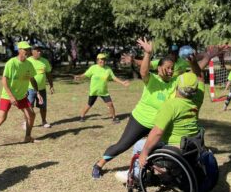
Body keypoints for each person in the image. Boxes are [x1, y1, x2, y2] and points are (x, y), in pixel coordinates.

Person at [93, 38, 201, 179]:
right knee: (123, 145)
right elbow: (143, 71)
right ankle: (99, 164)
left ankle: (152, 173)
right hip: (140, 120)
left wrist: (193, 63)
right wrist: (148, 54)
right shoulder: (152, 79)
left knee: (159, 149)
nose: (169, 71)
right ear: (158, 68)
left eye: (172, 68)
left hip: (160, 126)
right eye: (166, 68)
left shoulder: (176, 82)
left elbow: (197, 76)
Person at [0, 41, 43, 153]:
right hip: (7, 95)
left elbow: (32, 79)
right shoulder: (11, 63)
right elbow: (4, 80)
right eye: (25, 50)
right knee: (1, 118)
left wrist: (38, 93)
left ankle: (27, 137)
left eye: (29, 50)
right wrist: (11, 97)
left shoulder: (29, 64)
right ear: (19, 50)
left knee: (31, 115)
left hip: (21, 96)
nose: (27, 52)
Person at [139, 70, 205, 168]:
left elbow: (157, 132)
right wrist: (194, 62)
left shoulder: (170, 105)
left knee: (139, 145)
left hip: (175, 152)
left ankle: (134, 177)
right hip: (191, 149)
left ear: (177, 87)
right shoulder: (197, 100)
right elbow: (201, 78)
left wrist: (144, 152)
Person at [74, 53, 129, 123]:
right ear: (97, 60)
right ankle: (82, 117)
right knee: (89, 105)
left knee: (110, 104)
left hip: (104, 92)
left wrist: (122, 82)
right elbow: (85, 74)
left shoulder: (108, 69)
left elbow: (114, 78)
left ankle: (114, 118)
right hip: (94, 91)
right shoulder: (93, 68)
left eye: (104, 59)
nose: (102, 61)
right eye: (101, 59)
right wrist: (79, 77)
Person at [26, 43, 54, 128]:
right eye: (37, 50)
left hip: (42, 89)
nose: (40, 52)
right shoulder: (28, 61)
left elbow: (48, 74)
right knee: (29, 106)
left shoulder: (45, 61)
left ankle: (44, 121)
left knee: (43, 106)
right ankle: (26, 122)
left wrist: (51, 85)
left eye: (40, 50)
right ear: (32, 51)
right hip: (30, 89)